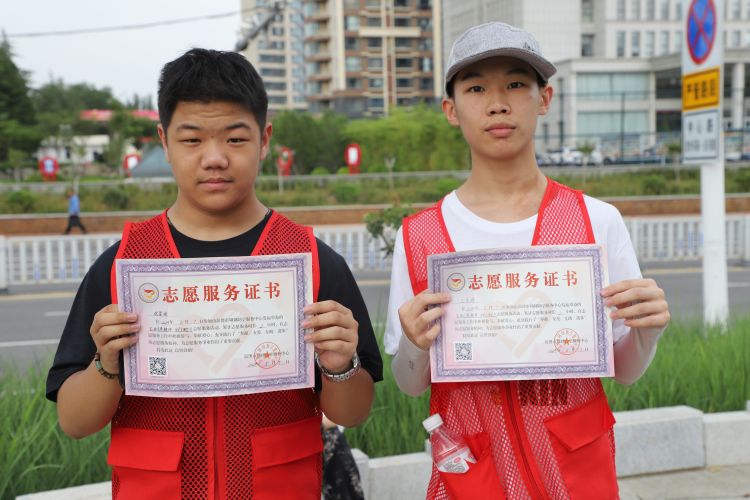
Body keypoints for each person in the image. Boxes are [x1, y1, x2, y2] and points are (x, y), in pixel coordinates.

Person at [46, 48, 382, 500]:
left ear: (265, 139)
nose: (215, 158)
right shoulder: (123, 266)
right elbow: (74, 422)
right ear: (164, 141)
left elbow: (352, 413)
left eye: (236, 139)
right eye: (192, 140)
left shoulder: (312, 263)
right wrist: (107, 365)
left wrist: (340, 365)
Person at [384, 22, 670, 499]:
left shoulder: (595, 221)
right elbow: (411, 384)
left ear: (544, 99)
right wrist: (414, 344)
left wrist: (647, 331)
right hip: (473, 475)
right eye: (476, 88)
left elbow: (624, 370)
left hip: (576, 474)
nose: (498, 103)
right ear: (451, 109)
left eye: (516, 84)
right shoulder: (420, 236)